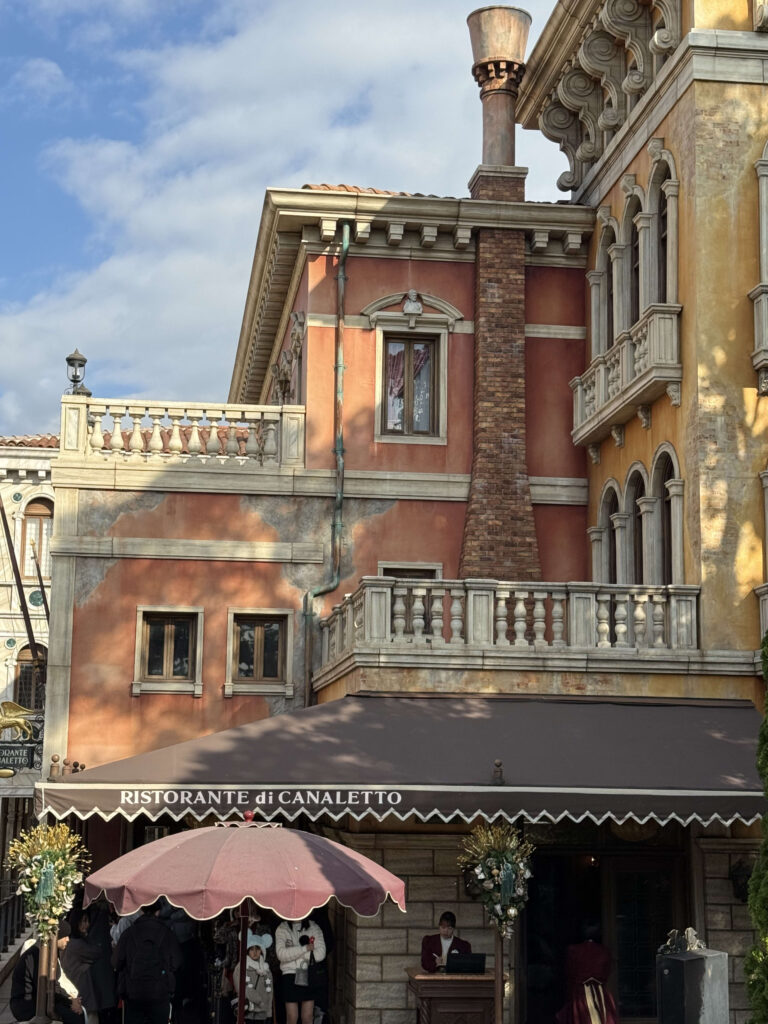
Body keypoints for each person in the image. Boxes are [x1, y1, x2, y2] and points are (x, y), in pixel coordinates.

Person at [112, 900, 183, 1024]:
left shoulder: (129, 933)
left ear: (141, 910)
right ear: (158, 911)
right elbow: (176, 962)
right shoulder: (167, 933)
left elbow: (116, 962)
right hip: (160, 993)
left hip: (133, 993)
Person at [10, 920, 84, 1024]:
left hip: (40, 1000)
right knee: (74, 1017)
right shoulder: (36, 955)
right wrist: (70, 1001)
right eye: (65, 936)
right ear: (56, 936)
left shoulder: (49, 952)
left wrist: (71, 1000)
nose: (68, 940)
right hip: (27, 1004)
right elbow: (47, 986)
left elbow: (54, 984)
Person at [62, 907, 118, 1024]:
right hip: (82, 995)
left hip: (79, 993)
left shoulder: (74, 943)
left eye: (87, 921)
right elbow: (97, 952)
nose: (86, 924)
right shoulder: (78, 945)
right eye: (84, 921)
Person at [555, 924, 619, 1024]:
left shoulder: (573, 950)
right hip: (599, 992)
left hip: (580, 993)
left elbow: (569, 971)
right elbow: (607, 971)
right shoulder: (604, 951)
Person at [275, 917, 326, 1024]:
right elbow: (281, 954)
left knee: (307, 1017)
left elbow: (320, 954)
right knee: (292, 1017)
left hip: (309, 974)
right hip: (289, 975)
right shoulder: (282, 928)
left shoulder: (314, 927)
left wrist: (294, 954)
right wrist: (305, 949)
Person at [233, 931, 274, 1024]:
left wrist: (268, 1012)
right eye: (251, 949)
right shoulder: (241, 967)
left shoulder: (266, 969)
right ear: (247, 950)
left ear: (262, 950)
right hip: (247, 1011)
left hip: (262, 1014)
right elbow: (242, 988)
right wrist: (259, 1001)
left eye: (257, 949)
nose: (255, 952)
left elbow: (270, 992)